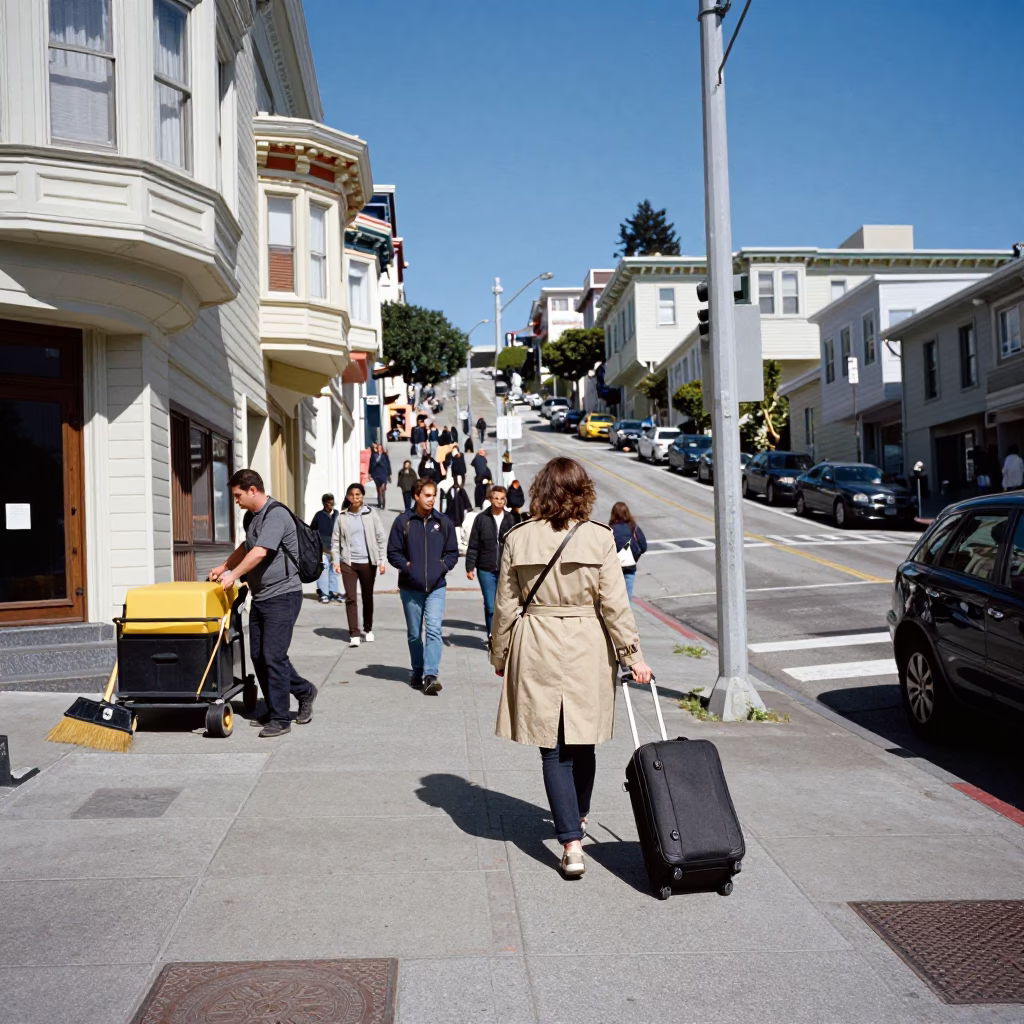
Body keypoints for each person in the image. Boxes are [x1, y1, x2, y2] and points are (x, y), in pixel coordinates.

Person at [490, 457, 652, 878]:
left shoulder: (518, 537)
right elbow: (616, 605)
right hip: (587, 644)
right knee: (584, 739)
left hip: (536, 640)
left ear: (541, 490)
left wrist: (500, 654)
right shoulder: (599, 538)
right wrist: (633, 656)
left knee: (552, 746)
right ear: (584, 492)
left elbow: (506, 606)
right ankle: (578, 817)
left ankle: (570, 844)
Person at [209, 469, 316, 738]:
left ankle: (281, 718)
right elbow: (248, 546)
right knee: (259, 655)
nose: (236, 500)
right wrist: (224, 566)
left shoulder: (276, 514)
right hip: (262, 596)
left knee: (274, 656)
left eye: (238, 495)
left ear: (252, 490)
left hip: (283, 595)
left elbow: (261, 551)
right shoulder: (252, 518)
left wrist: (233, 576)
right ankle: (302, 692)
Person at [387, 477, 459, 694]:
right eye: (427, 495)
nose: (431, 499)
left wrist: (442, 567)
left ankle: (430, 674)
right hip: (411, 587)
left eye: (434, 495)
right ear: (416, 496)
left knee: (435, 630)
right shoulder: (403, 522)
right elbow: (393, 553)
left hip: (437, 586)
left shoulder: (443, 522)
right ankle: (417, 670)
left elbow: (452, 552)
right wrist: (408, 566)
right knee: (414, 634)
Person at [331, 483, 387, 648]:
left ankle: (368, 629)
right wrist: (336, 561)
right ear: (348, 497)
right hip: (348, 563)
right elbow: (335, 541)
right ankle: (354, 633)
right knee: (351, 598)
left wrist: (382, 560)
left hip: (368, 563)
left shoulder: (371, 514)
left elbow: (380, 537)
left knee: (367, 597)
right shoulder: (342, 517)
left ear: (362, 496)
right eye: (352, 495)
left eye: (358, 495)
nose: (355, 498)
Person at [465, 485, 515, 635]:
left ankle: (502, 636)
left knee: (504, 606)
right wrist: (469, 567)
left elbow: (515, 545)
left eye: (502, 498)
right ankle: (492, 636)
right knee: (491, 606)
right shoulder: (481, 518)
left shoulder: (510, 518)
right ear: (490, 500)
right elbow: (474, 544)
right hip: (485, 568)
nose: (499, 501)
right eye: (496, 498)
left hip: (505, 569)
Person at [609, 501, 648, 603]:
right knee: (627, 598)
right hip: (630, 566)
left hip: (613, 567)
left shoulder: (610, 529)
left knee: (613, 597)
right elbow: (643, 547)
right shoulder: (633, 528)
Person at [310, 493, 340, 604]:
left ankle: (332, 591)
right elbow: (312, 531)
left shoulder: (337, 514)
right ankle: (323, 593)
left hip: (335, 548)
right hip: (322, 548)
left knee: (334, 571)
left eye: (332, 502)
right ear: (324, 503)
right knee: (323, 571)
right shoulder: (319, 515)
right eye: (328, 503)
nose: (331, 505)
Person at [369, 443, 392, 510]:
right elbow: (371, 465)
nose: (378, 449)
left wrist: (389, 474)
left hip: (383, 473)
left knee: (383, 489)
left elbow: (388, 465)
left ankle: (383, 503)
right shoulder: (373, 455)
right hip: (376, 474)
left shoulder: (385, 456)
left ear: (381, 449)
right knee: (378, 489)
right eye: (377, 448)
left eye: (379, 448)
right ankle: (379, 503)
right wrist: (370, 473)